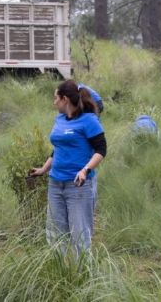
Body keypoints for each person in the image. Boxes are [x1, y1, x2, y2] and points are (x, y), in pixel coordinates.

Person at [29, 80, 107, 256]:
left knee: (79, 235)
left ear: (65, 99)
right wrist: (43, 169)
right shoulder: (60, 119)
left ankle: (82, 276)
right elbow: (57, 149)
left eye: (56, 98)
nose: (54, 102)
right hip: (55, 184)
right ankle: (59, 274)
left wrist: (85, 170)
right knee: (55, 234)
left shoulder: (89, 121)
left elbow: (101, 149)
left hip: (78, 186)